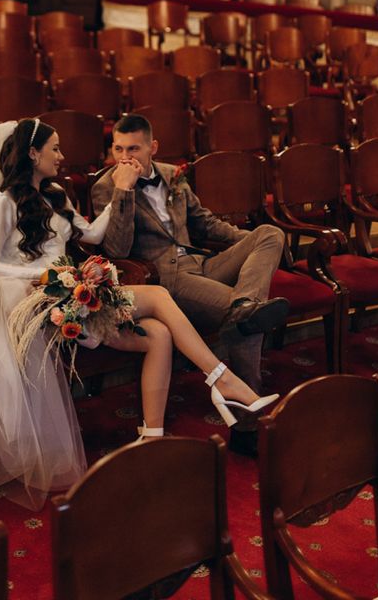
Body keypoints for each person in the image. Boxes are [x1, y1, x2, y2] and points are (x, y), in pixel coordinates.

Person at [0, 117, 278, 508]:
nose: (62, 155)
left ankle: (152, 436)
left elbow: (90, 235)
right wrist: (47, 275)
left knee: (157, 334)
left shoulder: (56, 194)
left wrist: (119, 193)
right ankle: (223, 381)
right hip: (35, 298)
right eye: (54, 148)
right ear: (32, 153)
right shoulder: (0, 203)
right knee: (158, 295)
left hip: (73, 289)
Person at [91, 113, 288, 457]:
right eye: (118, 149)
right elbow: (116, 250)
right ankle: (247, 429)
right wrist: (124, 190)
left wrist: (252, 246)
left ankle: (246, 307)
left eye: (134, 149)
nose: (125, 157)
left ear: (152, 147)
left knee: (270, 234)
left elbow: (207, 224)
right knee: (243, 319)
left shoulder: (172, 175)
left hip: (201, 262)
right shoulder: (107, 186)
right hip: (166, 279)